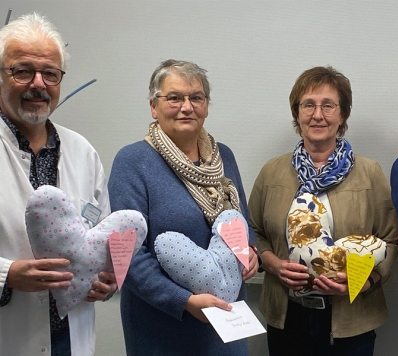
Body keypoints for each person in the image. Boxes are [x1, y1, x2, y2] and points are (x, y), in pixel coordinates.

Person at [108, 59, 259, 355]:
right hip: (164, 327)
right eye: (174, 97)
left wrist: (251, 251)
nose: (186, 106)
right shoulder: (132, 162)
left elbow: (243, 222)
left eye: (196, 97)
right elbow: (126, 255)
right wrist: (184, 301)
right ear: (154, 106)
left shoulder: (223, 156)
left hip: (229, 322)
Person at [248, 66, 398, 356]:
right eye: (308, 105)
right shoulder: (272, 171)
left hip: (351, 320)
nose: (318, 115)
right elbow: (253, 232)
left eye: (328, 105)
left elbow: (390, 240)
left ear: (342, 115)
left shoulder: (369, 172)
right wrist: (273, 264)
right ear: (297, 113)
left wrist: (362, 282)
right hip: (286, 317)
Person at [0, 13, 116, 356]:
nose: (38, 83)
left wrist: (107, 281)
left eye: (50, 73)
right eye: (22, 70)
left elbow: (103, 236)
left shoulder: (83, 152)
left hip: (71, 337)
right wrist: (7, 274)